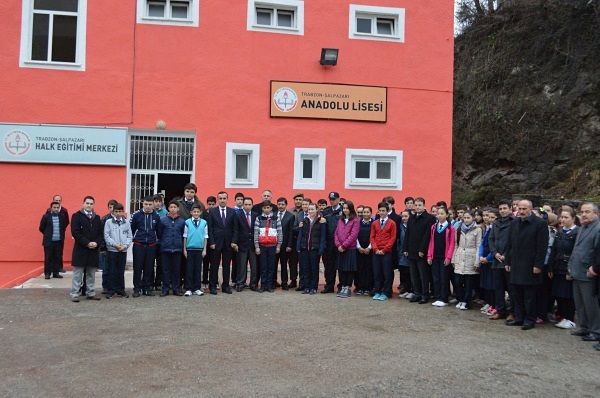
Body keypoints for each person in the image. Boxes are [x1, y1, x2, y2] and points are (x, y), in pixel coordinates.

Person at [505, 200, 549, 330]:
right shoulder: (514, 223)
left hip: (530, 265)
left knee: (529, 296)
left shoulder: (540, 224)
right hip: (516, 264)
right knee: (516, 294)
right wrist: (508, 261)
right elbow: (510, 244)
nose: (522, 211)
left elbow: (542, 246)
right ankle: (519, 318)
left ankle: (530, 319)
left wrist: (538, 265)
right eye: (520, 208)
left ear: (530, 209)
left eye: (524, 209)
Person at [567, 202, 600, 345]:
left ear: (596, 214)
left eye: (587, 212)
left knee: (590, 304)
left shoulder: (598, 229)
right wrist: (570, 266)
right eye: (582, 212)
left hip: (589, 272)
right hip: (577, 271)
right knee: (580, 303)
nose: (584, 214)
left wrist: (594, 268)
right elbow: (576, 248)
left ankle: (595, 330)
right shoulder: (582, 228)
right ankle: (584, 326)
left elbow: (597, 252)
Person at [548, 207, 578, 329]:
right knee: (559, 293)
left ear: (573, 218)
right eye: (562, 217)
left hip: (567, 267)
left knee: (568, 295)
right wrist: (550, 267)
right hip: (557, 266)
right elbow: (553, 250)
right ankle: (562, 315)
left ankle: (570, 318)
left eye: (566, 217)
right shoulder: (560, 232)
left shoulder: (577, 232)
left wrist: (570, 270)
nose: (563, 220)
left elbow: (575, 253)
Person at [69, 196, 103, 302]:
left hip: (93, 250)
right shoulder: (76, 216)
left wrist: (96, 243)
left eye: (91, 203)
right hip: (81, 249)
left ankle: (91, 293)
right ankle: (75, 294)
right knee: (77, 273)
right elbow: (75, 232)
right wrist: (87, 243)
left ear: (93, 205)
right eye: (87, 203)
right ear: (83, 203)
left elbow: (100, 234)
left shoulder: (97, 217)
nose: (89, 205)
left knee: (91, 273)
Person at [403, 197, 436, 304]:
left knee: (423, 275)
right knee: (414, 274)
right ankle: (416, 293)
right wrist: (405, 248)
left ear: (424, 205)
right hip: (411, 250)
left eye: (419, 205)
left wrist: (422, 249)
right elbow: (407, 234)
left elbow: (428, 236)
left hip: (422, 251)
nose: (417, 207)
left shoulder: (429, 218)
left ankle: (424, 295)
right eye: (416, 205)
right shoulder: (412, 217)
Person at [488, 200, 515, 321]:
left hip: (508, 261)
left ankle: (512, 312)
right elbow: (491, 239)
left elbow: (514, 241)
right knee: (498, 288)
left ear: (510, 209)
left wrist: (506, 255)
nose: (503, 211)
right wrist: (495, 253)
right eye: (500, 209)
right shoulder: (496, 223)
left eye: (505, 208)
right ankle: (500, 310)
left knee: (511, 288)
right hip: (496, 260)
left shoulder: (515, 222)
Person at [130, 196, 160, 297]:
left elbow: (158, 231)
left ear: (153, 205)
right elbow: (132, 229)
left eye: (150, 204)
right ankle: (137, 289)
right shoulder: (136, 215)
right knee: (137, 268)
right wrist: (134, 239)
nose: (148, 206)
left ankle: (147, 288)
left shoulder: (156, 216)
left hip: (151, 246)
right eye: (146, 204)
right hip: (139, 245)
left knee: (149, 268)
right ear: (143, 204)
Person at [427, 206, 456, 307]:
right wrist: (429, 255)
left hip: (444, 257)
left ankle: (444, 298)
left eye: (442, 213)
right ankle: (438, 297)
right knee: (436, 278)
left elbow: (452, 243)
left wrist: (448, 257)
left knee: (444, 278)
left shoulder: (450, 228)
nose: (439, 215)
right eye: (438, 213)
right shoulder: (434, 227)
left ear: (447, 215)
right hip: (435, 256)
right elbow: (431, 242)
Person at [452, 211, 482, 310]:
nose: (466, 219)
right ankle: (460, 299)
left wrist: (477, 261)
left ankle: (466, 301)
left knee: (469, 283)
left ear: (473, 218)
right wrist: (454, 258)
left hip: (471, 257)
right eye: (464, 217)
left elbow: (478, 246)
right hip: (460, 256)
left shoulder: (478, 229)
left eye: (468, 217)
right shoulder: (459, 229)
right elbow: (456, 245)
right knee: (458, 281)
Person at [207, 191, 235, 295]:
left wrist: (233, 241)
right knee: (214, 265)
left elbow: (235, 229)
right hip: (216, 243)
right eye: (220, 198)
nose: (222, 200)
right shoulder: (212, 212)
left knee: (227, 265)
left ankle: (226, 286)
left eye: (224, 198)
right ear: (218, 200)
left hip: (228, 243)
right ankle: (213, 286)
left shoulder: (232, 212)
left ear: (227, 199)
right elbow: (210, 228)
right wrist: (211, 242)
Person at [104, 203, 132, 299]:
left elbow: (129, 236)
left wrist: (125, 246)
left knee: (120, 271)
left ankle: (120, 290)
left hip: (122, 251)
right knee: (111, 270)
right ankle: (111, 290)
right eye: (116, 211)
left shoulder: (126, 222)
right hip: (112, 250)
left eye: (120, 211)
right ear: (113, 212)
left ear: (123, 212)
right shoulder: (108, 222)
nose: (119, 213)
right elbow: (107, 236)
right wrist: (115, 244)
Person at [157, 200, 185, 296]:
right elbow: (159, 233)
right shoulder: (163, 220)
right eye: (171, 207)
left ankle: (176, 289)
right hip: (165, 248)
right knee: (165, 270)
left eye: (175, 207)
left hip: (177, 248)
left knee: (176, 270)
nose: (173, 209)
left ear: (178, 209)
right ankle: (165, 289)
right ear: (168, 208)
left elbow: (183, 235)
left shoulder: (182, 222)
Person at [297, 203, 326, 295]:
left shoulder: (321, 221)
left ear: (317, 210)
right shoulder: (304, 221)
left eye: (312, 209)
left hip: (315, 249)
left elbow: (323, 236)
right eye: (309, 209)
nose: (310, 211)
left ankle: (313, 287)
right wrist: (298, 246)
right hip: (304, 248)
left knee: (314, 269)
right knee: (305, 268)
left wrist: (321, 248)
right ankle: (306, 287)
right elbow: (300, 235)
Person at [370, 202, 397, 301]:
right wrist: (376, 249)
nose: (381, 212)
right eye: (380, 210)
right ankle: (378, 291)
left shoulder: (392, 223)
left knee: (387, 273)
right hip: (376, 252)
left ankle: (386, 292)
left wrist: (384, 250)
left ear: (387, 212)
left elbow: (393, 238)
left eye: (383, 211)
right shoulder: (374, 223)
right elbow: (372, 237)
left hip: (387, 252)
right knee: (377, 273)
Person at [254, 201, 283, 293]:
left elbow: (280, 232)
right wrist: (257, 246)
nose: (266, 209)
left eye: (268, 208)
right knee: (263, 266)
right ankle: (263, 285)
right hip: (262, 246)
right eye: (264, 208)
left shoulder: (276, 218)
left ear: (271, 208)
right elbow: (256, 233)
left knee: (271, 266)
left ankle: (270, 285)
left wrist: (278, 246)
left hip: (273, 246)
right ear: (262, 208)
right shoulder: (258, 218)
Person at [232, 197, 259, 291]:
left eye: (249, 204)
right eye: (246, 204)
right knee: (241, 266)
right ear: (243, 205)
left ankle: (253, 284)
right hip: (242, 244)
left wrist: (258, 245)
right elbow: (235, 230)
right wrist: (234, 242)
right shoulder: (237, 215)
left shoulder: (256, 215)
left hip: (253, 245)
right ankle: (240, 283)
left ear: (252, 205)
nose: (247, 206)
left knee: (254, 266)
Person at [334, 201, 360, 298]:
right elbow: (336, 233)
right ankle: (342, 285)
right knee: (341, 269)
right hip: (340, 248)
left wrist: (344, 246)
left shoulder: (355, 220)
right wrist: (338, 245)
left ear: (351, 209)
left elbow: (353, 235)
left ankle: (347, 287)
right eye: (344, 208)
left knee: (349, 269)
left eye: (347, 208)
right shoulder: (340, 220)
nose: (345, 210)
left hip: (350, 249)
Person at [183, 204, 207, 297]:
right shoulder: (187, 222)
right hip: (189, 249)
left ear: (200, 213)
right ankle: (188, 288)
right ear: (191, 212)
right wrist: (184, 249)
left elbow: (205, 237)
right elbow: (185, 236)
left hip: (199, 249)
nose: (196, 213)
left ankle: (197, 288)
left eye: (198, 212)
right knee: (189, 269)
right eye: (194, 212)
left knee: (198, 269)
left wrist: (204, 250)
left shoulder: (204, 222)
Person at [39, 201, 67, 279]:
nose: (56, 209)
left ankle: (56, 273)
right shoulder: (46, 216)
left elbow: (63, 227)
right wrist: (48, 234)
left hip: (58, 241)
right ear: (51, 208)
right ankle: (47, 273)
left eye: (57, 207)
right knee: (48, 258)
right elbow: (41, 228)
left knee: (57, 257)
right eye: (54, 207)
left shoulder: (62, 216)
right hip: (49, 242)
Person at [321, 192, 343, 293]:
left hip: (341, 243)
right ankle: (329, 286)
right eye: (331, 199)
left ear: (338, 199)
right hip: (329, 243)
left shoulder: (344, 210)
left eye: (334, 199)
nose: (332, 201)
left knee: (341, 266)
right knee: (329, 266)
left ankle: (341, 286)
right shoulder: (326, 211)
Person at [479, 208, 497, 316]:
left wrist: (488, 258)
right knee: (485, 283)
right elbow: (482, 244)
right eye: (487, 216)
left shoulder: (495, 229)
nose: (489, 219)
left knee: (492, 284)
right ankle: (489, 303)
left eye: (492, 217)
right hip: (484, 259)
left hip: (491, 261)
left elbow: (494, 247)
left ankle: (494, 304)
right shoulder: (487, 229)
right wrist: (481, 255)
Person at [275, 197, 295, 290]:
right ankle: (273, 281)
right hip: (273, 245)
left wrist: (289, 245)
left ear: (286, 205)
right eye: (279, 204)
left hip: (285, 245)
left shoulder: (290, 216)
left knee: (284, 265)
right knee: (273, 264)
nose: (281, 206)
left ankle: (284, 283)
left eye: (282, 204)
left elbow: (291, 232)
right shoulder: (273, 215)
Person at [100, 199, 118, 295]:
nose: (111, 209)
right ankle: (105, 286)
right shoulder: (104, 219)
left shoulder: (121, 219)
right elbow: (101, 235)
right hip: (106, 248)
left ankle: (115, 286)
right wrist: (102, 248)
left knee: (115, 268)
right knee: (106, 269)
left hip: (117, 249)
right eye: (110, 207)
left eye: (113, 207)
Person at [287, 193, 304, 289]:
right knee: (292, 262)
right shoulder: (289, 212)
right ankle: (293, 280)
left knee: (302, 262)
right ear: (294, 200)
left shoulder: (306, 211)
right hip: (293, 240)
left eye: (300, 199)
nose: (298, 201)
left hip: (302, 241)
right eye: (296, 199)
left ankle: (302, 282)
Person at [356, 206, 374, 296]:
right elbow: (355, 236)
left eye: (368, 212)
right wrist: (359, 247)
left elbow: (374, 236)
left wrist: (369, 248)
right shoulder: (358, 223)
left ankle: (368, 288)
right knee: (360, 269)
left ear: (371, 213)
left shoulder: (374, 223)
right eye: (364, 212)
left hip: (369, 250)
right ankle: (360, 288)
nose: (366, 214)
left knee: (369, 269)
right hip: (359, 250)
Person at [50, 194, 69, 272]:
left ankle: (59, 267)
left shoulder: (64, 210)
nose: (57, 202)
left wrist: (61, 228)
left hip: (60, 234)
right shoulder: (49, 210)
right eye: (56, 200)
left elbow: (67, 221)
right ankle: (51, 268)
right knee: (51, 252)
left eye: (59, 200)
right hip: (51, 235)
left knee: (59, 251)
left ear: (61, 201)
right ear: (53, 201)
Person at [201, 195, 216, 288]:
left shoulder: (216, 213)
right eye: (209, 204)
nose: (211, 206)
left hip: (214, 240)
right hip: (205, 240)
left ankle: (213, 280)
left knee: (214, 262)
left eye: (213, 204)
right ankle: (205, 280)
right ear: (207, 204)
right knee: (205, 262)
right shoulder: (204, 213)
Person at [397, 210, 412, 298]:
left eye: (406, 216)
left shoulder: (412, 226)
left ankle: (411, 290)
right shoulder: (399, 227)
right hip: (401, 253)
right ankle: (405, 289)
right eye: (403, 216)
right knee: (403, 272)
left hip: (410, 253)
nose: (404, 218)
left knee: (410, 272)